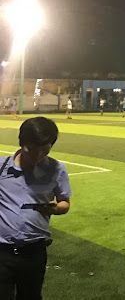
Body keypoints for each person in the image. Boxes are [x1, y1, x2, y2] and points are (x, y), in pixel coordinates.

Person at [0, 117, 71, 299]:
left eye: (44, 150)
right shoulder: (1, 168)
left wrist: (54, 208)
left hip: (34, 251)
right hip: (2, 251)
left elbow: (64, 203)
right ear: (22, 143)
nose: (38, 155)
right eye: (32, 149)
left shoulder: (57, 169)